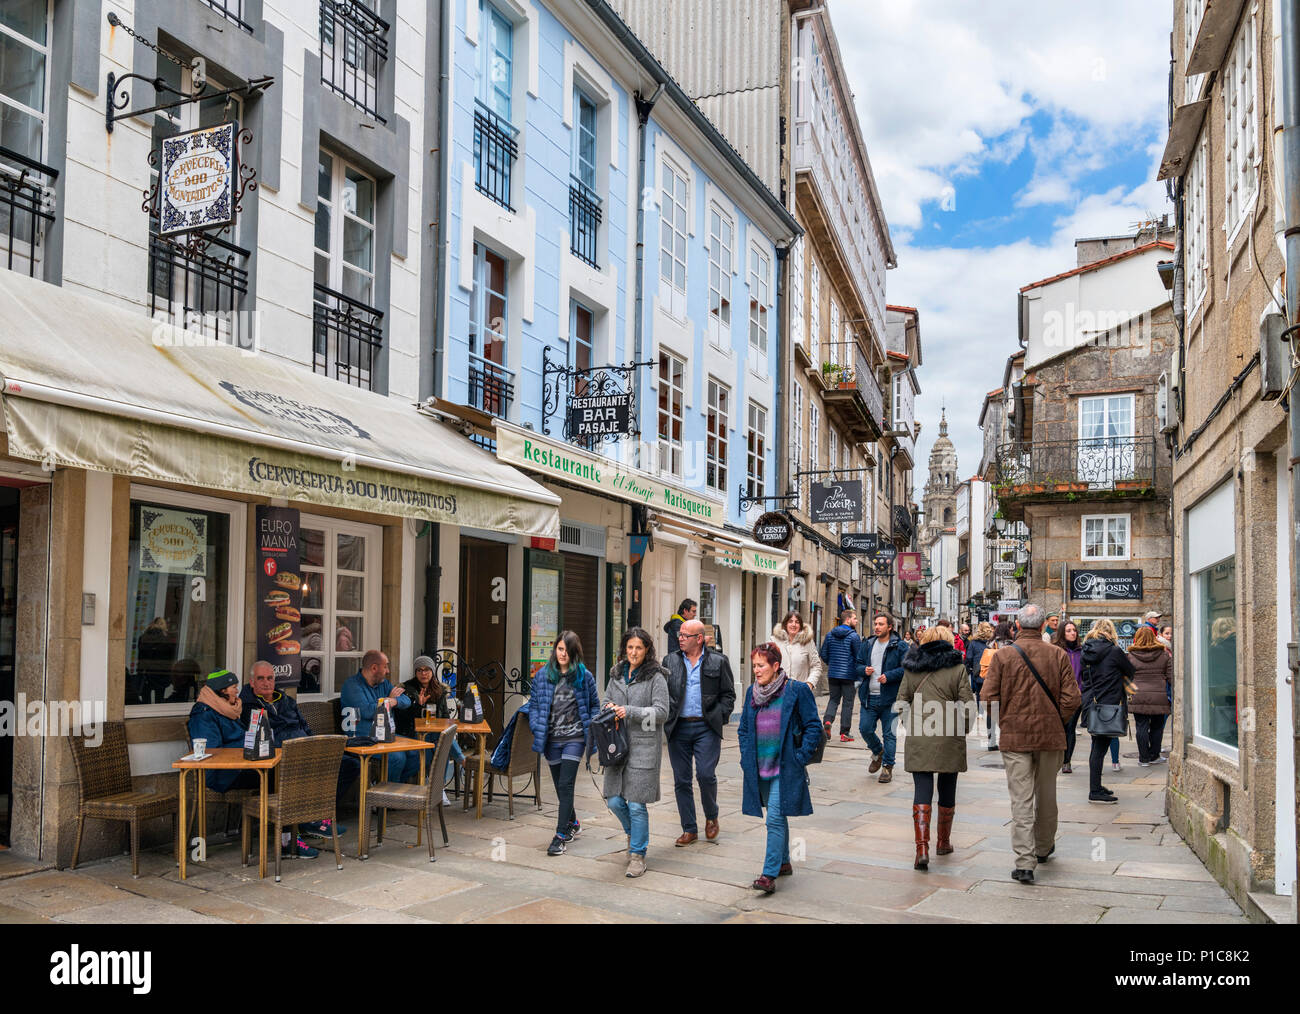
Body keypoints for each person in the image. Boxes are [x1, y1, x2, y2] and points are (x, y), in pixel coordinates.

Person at [981, 604, 1080, 883]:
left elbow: (988, 698)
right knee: (1047, 794)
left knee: (1021, 798)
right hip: (1051, 736)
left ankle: (1025, 862)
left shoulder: (1003, 656)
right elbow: (1073, 698)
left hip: (1016, 736)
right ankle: (1044, 847)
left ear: (1018, 626)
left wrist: (1006, 723)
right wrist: (1055, 719)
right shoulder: (1058, 654)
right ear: (1040, 627)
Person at [189, 670, 322, 859]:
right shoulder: (204, 713)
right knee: (280, 775)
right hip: (222, 774)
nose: (237, 690)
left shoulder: (227, 708)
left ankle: (301, 825)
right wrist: (248, 747)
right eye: (233, 687)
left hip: (244, 765)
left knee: (287, 770)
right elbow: (212, 752)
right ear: (222, 690)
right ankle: (289, 839)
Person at [737, 642, 821, 894]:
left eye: (761, 665)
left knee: (773, 817)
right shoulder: (752, 692)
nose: (756, 670)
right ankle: (784, 861)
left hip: (784, 766)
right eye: (754, 666)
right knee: (778, 813)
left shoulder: (795, 691)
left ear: (775, 666)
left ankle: (768, 873)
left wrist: (800, 757)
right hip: (758, 766)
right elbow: (743, 729)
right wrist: (745, 756)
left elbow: (813, 726)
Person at [897, 626, 976, 869]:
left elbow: (901, 702)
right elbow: (968, 706)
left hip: (921, 734)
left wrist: (912, 724)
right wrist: (960, 729)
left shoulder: (912, 668)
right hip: (949, 736)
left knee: (922, 789)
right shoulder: (958, 668)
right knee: (947, 787)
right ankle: (943, 841)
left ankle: (922, 849)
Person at [602, 628, 669, 878]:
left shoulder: (656, 677)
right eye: (630, 647)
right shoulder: (617, 674)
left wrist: (629, 711)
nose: (633, 652)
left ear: (647, 650)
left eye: (639, 648)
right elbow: (606, 700)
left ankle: (637, 854)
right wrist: (608, 707)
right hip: (617, 747)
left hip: (644, 747)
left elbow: (662, 713)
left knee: (637, 805)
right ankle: (633, 833)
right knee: (614, 800)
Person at [664, 618, 736, 846]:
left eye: (685, 635)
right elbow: (662, 692)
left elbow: (728, 695)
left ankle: (712, 815)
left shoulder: (718, 661)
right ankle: (689, 828)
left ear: (699, 638)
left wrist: (720, 715)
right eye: (680, 635)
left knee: (705, 775)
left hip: (706, 727)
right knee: (681, 780)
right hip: (679, 727)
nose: (680, 638)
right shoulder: (670, 661)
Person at [527, 631, 600, 856]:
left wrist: (592, 729)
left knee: (566, 785)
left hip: (575, 738)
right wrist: (535, 724)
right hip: (551, 739)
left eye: (567, 650)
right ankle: (574, 822)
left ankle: (560, 836)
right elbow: (535, 705)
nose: (563, 654)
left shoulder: (584, 676)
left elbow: (595, 705)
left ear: (574, 652)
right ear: (555, 650)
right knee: (560, 787)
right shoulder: (542, 676)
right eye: (560, 649)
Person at [397, 654, 464, 806]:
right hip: (413, 733)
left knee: (442, 742)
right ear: (415, 672)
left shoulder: (439, 689)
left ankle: (437, 787)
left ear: (432, 671)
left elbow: (445, 717)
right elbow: (403, 719)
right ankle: (460, 760)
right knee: (441, 741)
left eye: (427, 669)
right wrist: (419, 705)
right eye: (419, 670)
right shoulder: (407, 689)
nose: (423, 673)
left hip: (434, 734)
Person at [341, 650, 416, 784]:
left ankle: (395, 790)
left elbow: (406, 701)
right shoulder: (351, 685)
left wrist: (393, 701)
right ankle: (387, 800)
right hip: (361, 739)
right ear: (374, 668)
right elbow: (367, 711)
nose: (388, 671)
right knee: (397, 758)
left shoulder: (384, 684)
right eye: (385, 666)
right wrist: (388, 700)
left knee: (419, 754)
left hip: (384, 736)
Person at [1080, 619, 1134, 804]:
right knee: (1099, 749)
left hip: (1092, 703)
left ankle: (1096, 786)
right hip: (1109, 705)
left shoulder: (1086, 650)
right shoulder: (1114, 651)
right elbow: (1130, 671)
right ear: (1111, 631)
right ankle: (1094, 790)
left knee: (1097, 746)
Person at [854, 613, 906, 782]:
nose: (876, 627)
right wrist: (864, 670)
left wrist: (889, 676)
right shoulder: (868, 643)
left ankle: (887, 767)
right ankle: (878, 751)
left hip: (890, 698)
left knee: (889, 735)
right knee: (865, 729)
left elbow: (907, 668)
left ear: (890, 627)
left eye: (881, 624)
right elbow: (857, 664)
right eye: (875, 624)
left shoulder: (900, 646)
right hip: (869, 696)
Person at [1127, 627, 1172, 766]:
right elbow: (1172, 677)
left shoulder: (1131, 656)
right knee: (1157, 727)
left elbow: (1126, 678)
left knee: (1141, 726)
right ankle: (1154, 755)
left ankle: (1143, 758)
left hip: (1138, 695)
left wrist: (1129, 693)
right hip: (1159, 695)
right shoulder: (1164, 655)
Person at [818, 608, 862, 742]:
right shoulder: (854, 636)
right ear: (847, 620)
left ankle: (827, 721)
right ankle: (844, 733)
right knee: (848, 703)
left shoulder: (830, 635)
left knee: (833, 699)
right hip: (849, 675)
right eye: (855, 618)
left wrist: (832, 664)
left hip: (833, 674)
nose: (857, 621)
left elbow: (823, 654)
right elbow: (859, 657)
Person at [1052, 621, 1085, 774]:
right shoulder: (1056, 651)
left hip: (1076, 697)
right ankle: (1057, 757)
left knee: (1070, 728)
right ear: (1062, 633)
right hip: (1059, 697)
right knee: (1059, 728)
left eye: (1074, 630)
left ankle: (1067, 761)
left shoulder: (1082, 651)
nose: (1073, 633)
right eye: (1068, 631)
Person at [979, 621, 1014, 749]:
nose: (1013, 632)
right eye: (1011, 629)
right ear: (1007, 631)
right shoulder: (1010, 646)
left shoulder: (989, 644)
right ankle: (1006, 738)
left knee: (991, 711)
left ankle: (991, 741)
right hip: (1006, 681)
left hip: (991, 680)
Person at [772, 611, 824, 693]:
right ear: (785, 624)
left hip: (799, 692)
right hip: (778, 691)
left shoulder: (808, 642)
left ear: (800, 626)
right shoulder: (774, 641)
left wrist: (809, 684)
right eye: (790, 621)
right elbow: (767, 664)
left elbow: (816, 666)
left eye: (797, 622)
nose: (793, 625)